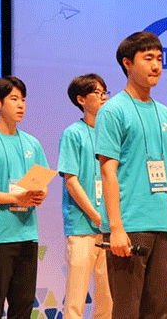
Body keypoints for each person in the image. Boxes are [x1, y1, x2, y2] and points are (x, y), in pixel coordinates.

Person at [95, 31, 167, 319]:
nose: (156, 65)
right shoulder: (113, 111)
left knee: (158, 310)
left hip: (164, 225)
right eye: (148, 58)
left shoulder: (166, 114)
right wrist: (116, 228)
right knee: (127, 310)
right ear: (127, 63)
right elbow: (108, 172)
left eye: (159, 59)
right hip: (130, 225)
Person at [0, 76, 49, 319]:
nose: (21, 105)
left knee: (23, 306)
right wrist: (15, 198)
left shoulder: (32, 143)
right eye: (14, 99)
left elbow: (42, 182)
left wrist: (39, 193)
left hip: (28, 234)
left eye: (23, 99)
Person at [59, 74, 113, 319]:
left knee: (108, 299)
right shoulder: (73, 134)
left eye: (105, 92)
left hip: (110, 228)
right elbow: (71, 182)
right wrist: (96, 216)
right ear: (81, 99)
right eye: (97, 93)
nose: (104, 98)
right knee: (76, 299)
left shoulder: (111, 134)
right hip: (82, 227)